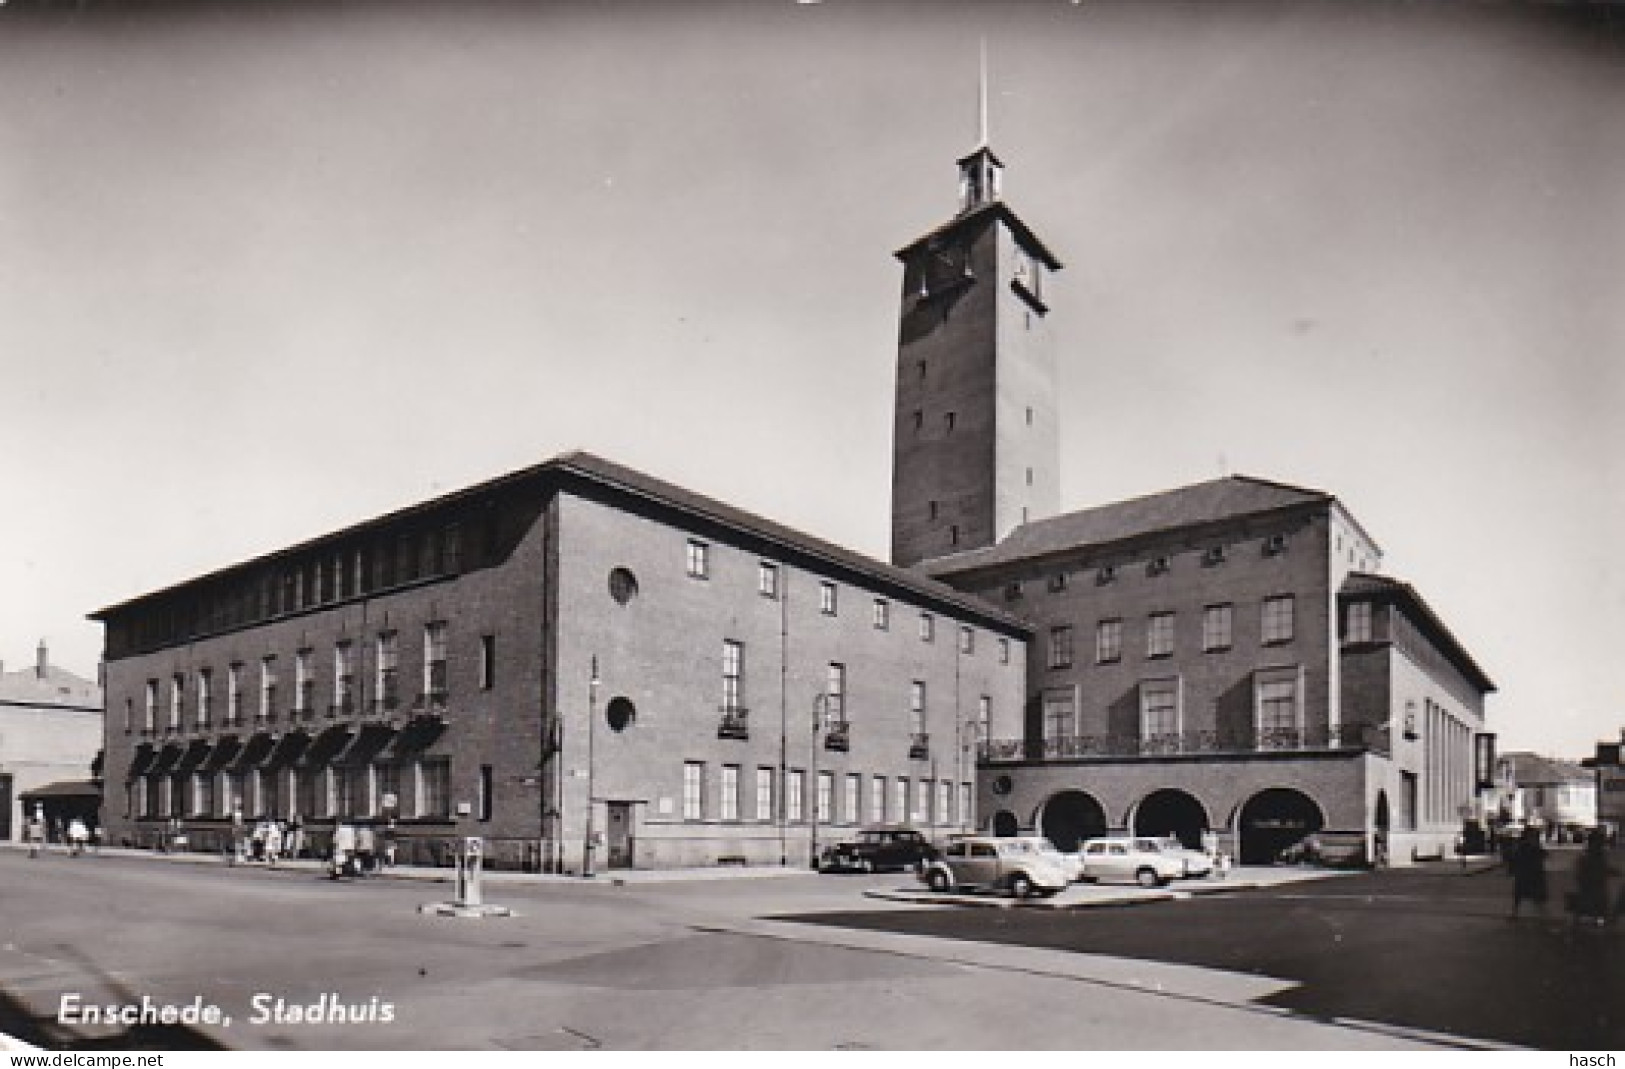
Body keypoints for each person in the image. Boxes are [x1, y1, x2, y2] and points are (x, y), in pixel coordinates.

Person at [1569, 830, 1617, 928]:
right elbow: (1602, 868)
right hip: (1596, 888)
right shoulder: (1597, 855)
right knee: (1598, 912)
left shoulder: (1585, 855)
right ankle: (1598, 929)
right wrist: (1612, 872)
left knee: (1583, 911)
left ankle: (1579, 929)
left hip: (1587, 888)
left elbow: (1580, 874)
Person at [1509, 825, 1548, 919]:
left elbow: (1515, 858)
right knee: (1525, 895)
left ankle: (1515, 913)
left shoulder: (1524, 845)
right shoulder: (1527, 846)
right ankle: (1542, 915)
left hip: (1527, 875)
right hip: (1529, 874)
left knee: (1522, 895)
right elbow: (1543, 855)